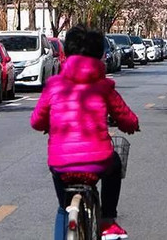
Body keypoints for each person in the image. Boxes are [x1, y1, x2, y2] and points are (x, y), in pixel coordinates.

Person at [31, 25, 139, 240]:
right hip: (98, 162)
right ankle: (108, 220)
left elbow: (37, 121)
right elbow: (126, 117)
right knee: (115, 164)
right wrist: (130, 126)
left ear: (66, 53)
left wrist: (47, 125)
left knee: (63, 209)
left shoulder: (54, 86)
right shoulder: (103, 86)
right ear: (99, 55)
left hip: (61, 165)